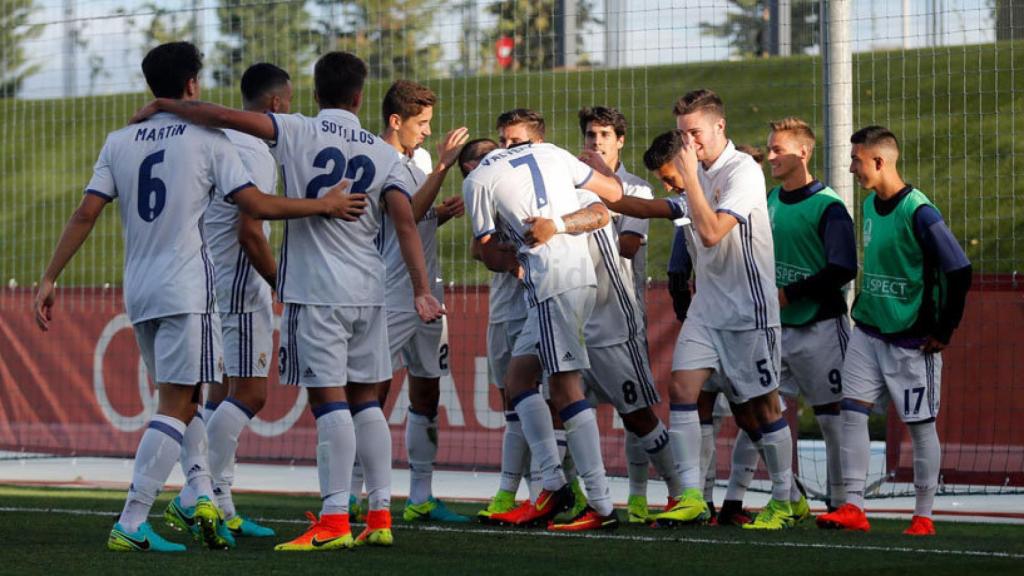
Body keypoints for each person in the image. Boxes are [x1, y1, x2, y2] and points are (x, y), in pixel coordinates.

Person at [35, 42, 356, 552]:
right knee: (180, 404)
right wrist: (323, 204)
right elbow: (254, 206)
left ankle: (199, 492)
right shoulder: (208, 139)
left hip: (138, 290)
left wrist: (50, 277)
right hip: (187, 287)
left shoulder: (119, 140)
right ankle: (136, 518)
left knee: (186, 402)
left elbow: (85, 214)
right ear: (191, 86)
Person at [132, 51, 445, 550]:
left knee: (329, 402)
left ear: (316, 93)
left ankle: (334, 518)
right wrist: (421, 288)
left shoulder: (296, 129)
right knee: (368, 402)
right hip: (372, 290)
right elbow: (405, 221)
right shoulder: (382, 151)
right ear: (360, 97)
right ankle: (381, 513)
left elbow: (222, 116)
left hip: (317, 290)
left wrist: (165, 106)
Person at [462, 109, 627, 531]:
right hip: (565, 282)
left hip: (556, 283)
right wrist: (558, 223)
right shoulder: (556, 155)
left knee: (565, 387)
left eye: (509, 139)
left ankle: (600, 504)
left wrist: (551, 227)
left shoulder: (478, 177)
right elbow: (609, 197)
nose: (505, 145)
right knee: (519, 381)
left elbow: (482, 248)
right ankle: (554, 484)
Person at [817, 125, 971, 536]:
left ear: (880, 161)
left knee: (920, 426)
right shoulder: (869, 205)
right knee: (852, 411)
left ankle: (923, 516)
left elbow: (959, 269)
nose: (851, 168)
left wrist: (945, 328)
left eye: (856, 160)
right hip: (868, 331)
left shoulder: (920, 211)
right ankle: (853, 506)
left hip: (911, 339)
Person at [167, 62, 295, 542]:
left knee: (218, 396)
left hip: (201, 280)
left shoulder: (211, 141)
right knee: (253, 394)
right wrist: (279, 281)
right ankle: (191, 496)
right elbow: (250, 230)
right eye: (290, 100)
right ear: (276, 104)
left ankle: (220, 500)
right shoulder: (257, 151)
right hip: (240, 288)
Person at [654, 89, 792, 530]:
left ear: (719, 128)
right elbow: (661, 207)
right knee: (681, 389)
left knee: (762, 411)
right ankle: (693, 496)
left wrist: (690, 178)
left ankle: (787, 501)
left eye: (694, 133)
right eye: (682, 135)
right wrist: (596, 187)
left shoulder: (743, 172)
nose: (687, 143)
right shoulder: (699, 174)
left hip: (749, 313)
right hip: (707, 311)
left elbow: (712, 233)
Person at [374, 79, 469, 523]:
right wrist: (444, 169)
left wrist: (441, 212)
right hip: (391, 293)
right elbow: (405, 214)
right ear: (396, 121)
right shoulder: (378, 160)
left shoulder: (421, 159)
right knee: (371, 392)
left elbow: (420, 217)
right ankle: (360, 492)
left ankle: (420, 495)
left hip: (429, 291)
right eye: (421, 123)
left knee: (427, 390)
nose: (428, 132)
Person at [765, 117, 857, 517]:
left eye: (777, 150)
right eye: (768, 149)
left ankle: (841, 502)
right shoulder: (768, 198)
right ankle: (784, 497)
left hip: (820, 326)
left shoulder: (829, 207)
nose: (770, 157)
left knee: (832, 420)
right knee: (766, 412)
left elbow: (843, 268)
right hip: (775, 330)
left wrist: (790, 293)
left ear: (802, 152)